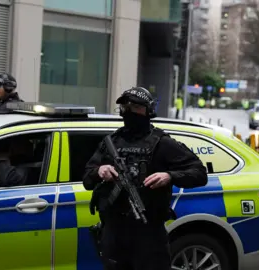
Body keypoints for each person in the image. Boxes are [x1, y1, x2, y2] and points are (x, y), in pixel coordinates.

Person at [83, 87, 208, 270]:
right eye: (126, 107)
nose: (129, 111)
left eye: (135, 107)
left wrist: (169, 176)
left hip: (148, 233)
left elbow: (199, 173)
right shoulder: (111, 142)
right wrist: (99, 170)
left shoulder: (162, 143)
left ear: (148, 111)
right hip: (114, 232)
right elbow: (87, 178)